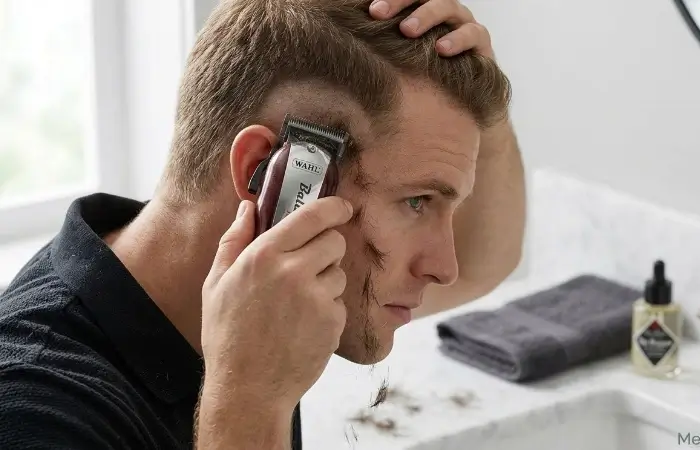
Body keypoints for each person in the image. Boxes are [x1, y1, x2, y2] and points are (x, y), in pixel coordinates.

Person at [0, 0, 524, 448]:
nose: (445, 267)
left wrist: (484, 111)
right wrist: (249, 400)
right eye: (417, 201)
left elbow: (482, 263)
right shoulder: (32, 412)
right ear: (275, 173)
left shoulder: (245, 291)